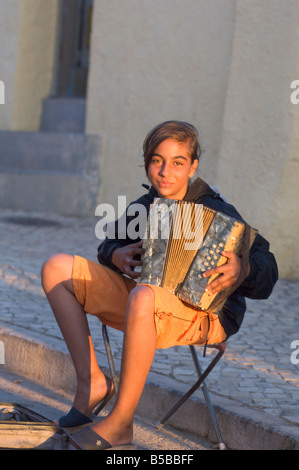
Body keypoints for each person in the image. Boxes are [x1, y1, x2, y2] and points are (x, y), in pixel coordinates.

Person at [41, 121, 278, 449]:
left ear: (193, 166)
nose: (165, 171)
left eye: (178, 162)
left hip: (204, 316)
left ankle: (121, 422)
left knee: (143, 294)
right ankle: (92, 383)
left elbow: (269, 271)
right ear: (147, 163)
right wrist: (115, 255)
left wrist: (244, 269)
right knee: (56, 268)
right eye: (157, 161)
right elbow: (108, 245)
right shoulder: (144, 205)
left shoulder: (217, 210)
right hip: (145, 306)